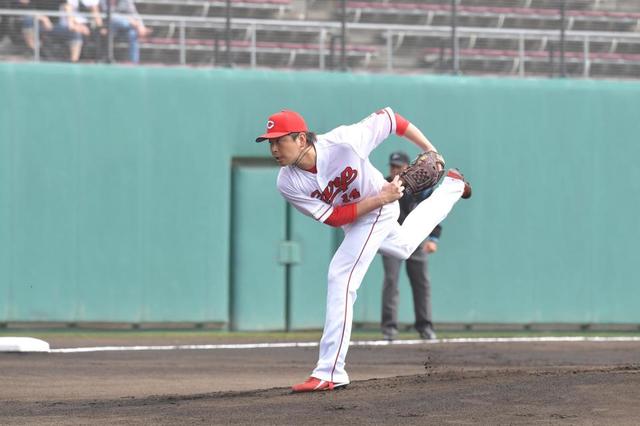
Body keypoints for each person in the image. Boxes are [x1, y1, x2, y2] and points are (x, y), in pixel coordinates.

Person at [255, 108, 471, 393]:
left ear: (302, 139)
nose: (273, 148)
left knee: (340, 277)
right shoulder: (287, 182)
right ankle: (453, 186)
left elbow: (393, 119)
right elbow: (334, 218)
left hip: (378, 211)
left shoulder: (344, 141)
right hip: (362, 213)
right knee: (404, 246)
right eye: (269, 142)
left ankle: (330, 370)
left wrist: (431, 150)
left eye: (279, 140)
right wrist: (381, 197)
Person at [381, 151, 444, 342]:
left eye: (398, 166)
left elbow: (432, 212)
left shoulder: (422, 188)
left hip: (416, 239)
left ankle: (425, 326)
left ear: (408, 168)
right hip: (391, 238)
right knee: (391, 281)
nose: (394, 170)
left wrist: (434, 238)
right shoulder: (384, 185)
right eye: (392, 166)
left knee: (421, 282)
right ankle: (389, 328)